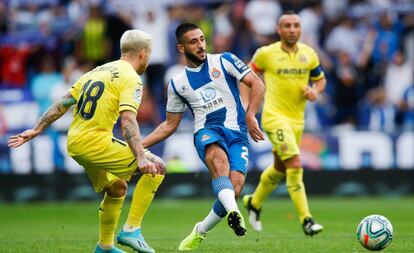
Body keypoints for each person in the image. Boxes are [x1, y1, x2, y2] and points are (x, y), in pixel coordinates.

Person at [8, 29, 165, 253]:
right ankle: (132, 230)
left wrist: (36, 128)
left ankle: (104, 246)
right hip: (95, 142)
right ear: (143, 53)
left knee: (118, 188)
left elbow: (62, 103)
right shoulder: (131, 78)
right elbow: (128, 121)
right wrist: (140, 157)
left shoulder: (95, 72)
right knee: (157, 167)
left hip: (75, 143)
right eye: (149, 54)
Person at [141, 23, 265, 251]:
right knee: (219, 162)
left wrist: (251, 115)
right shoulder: (177, 84)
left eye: (202, 39)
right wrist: (140, 145)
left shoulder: (224, 60)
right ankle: (235, 212)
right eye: (193, 42)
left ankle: (201, 230)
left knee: (235, 187)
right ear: (181, 47)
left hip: (237, 133)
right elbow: (169, 124)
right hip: (207, 131)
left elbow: (257, 83)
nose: (200, 45)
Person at [242, 11, 326, 236]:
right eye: (287, 25)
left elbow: (320, 79)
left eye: (295, 25)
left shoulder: (309, 54)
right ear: (279, 30)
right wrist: (246, 106)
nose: (291, 29)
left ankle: (254, 202)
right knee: (296, 164)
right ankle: (306, 220)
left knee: (280, 168)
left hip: (297, 121)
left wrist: (314, 90)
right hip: (274, 118)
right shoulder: (266, 54)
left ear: (300, 29)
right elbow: (246, 76)